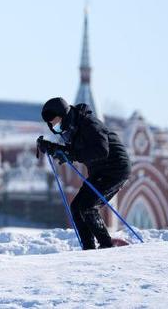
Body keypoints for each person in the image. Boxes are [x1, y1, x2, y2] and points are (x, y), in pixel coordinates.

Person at [36, 97, 132, 249]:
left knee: (87, 206)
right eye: (52, 125)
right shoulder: (71, 129)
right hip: (100, 171)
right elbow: (74, 151)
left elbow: (101, 150)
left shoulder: (88, 123)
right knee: (76, 207)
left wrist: (70, 155)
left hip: (115, 168)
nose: (55, 127)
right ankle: (88, 248)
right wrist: (52, 148)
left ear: (64, 115)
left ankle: (107, 246)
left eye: (56, 122)